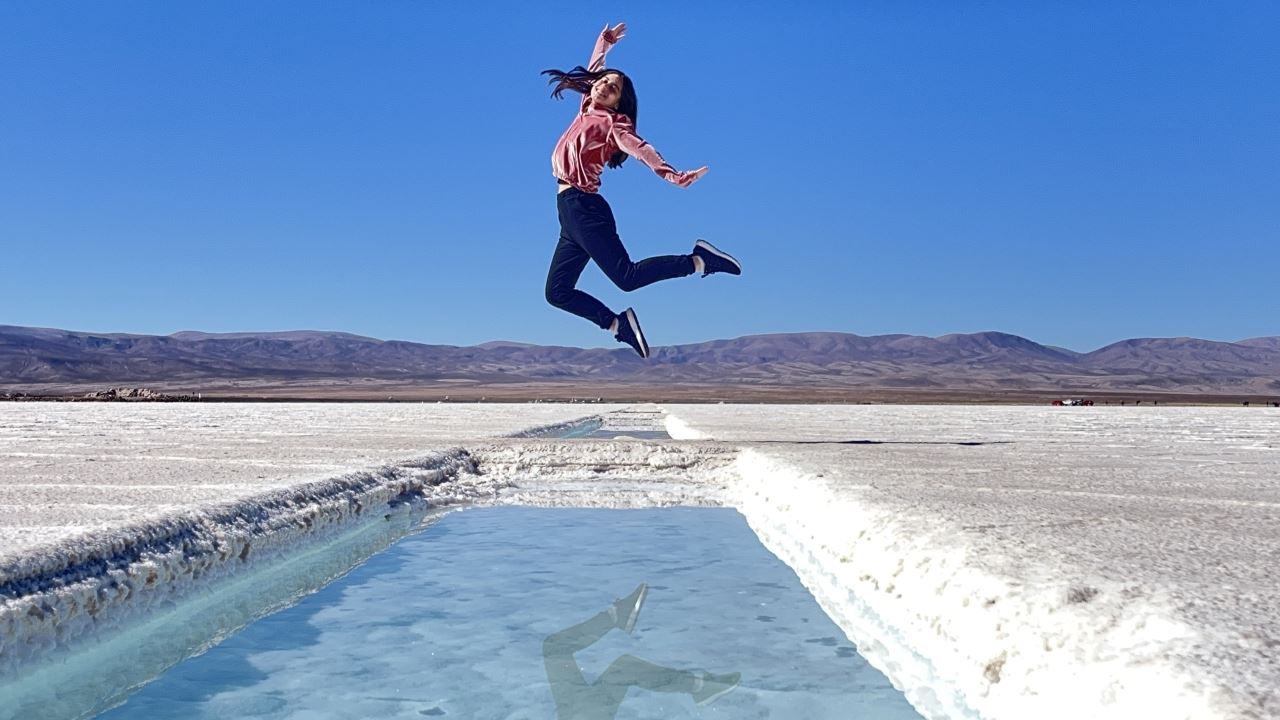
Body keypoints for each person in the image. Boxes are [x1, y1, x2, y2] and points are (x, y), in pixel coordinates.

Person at [542, 22, 742, 359]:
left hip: (584, 208)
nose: (606, 85)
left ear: (621, 102)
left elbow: (641, 149)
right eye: (605, 82)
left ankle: (699, 261)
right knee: (557, 292)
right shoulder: (588, 108)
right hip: (569, 212)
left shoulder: (615, 124)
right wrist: (603, 43)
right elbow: (595, 70)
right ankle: (618, 325)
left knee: (627, 276)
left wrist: (672, 175)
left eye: (615, 88)